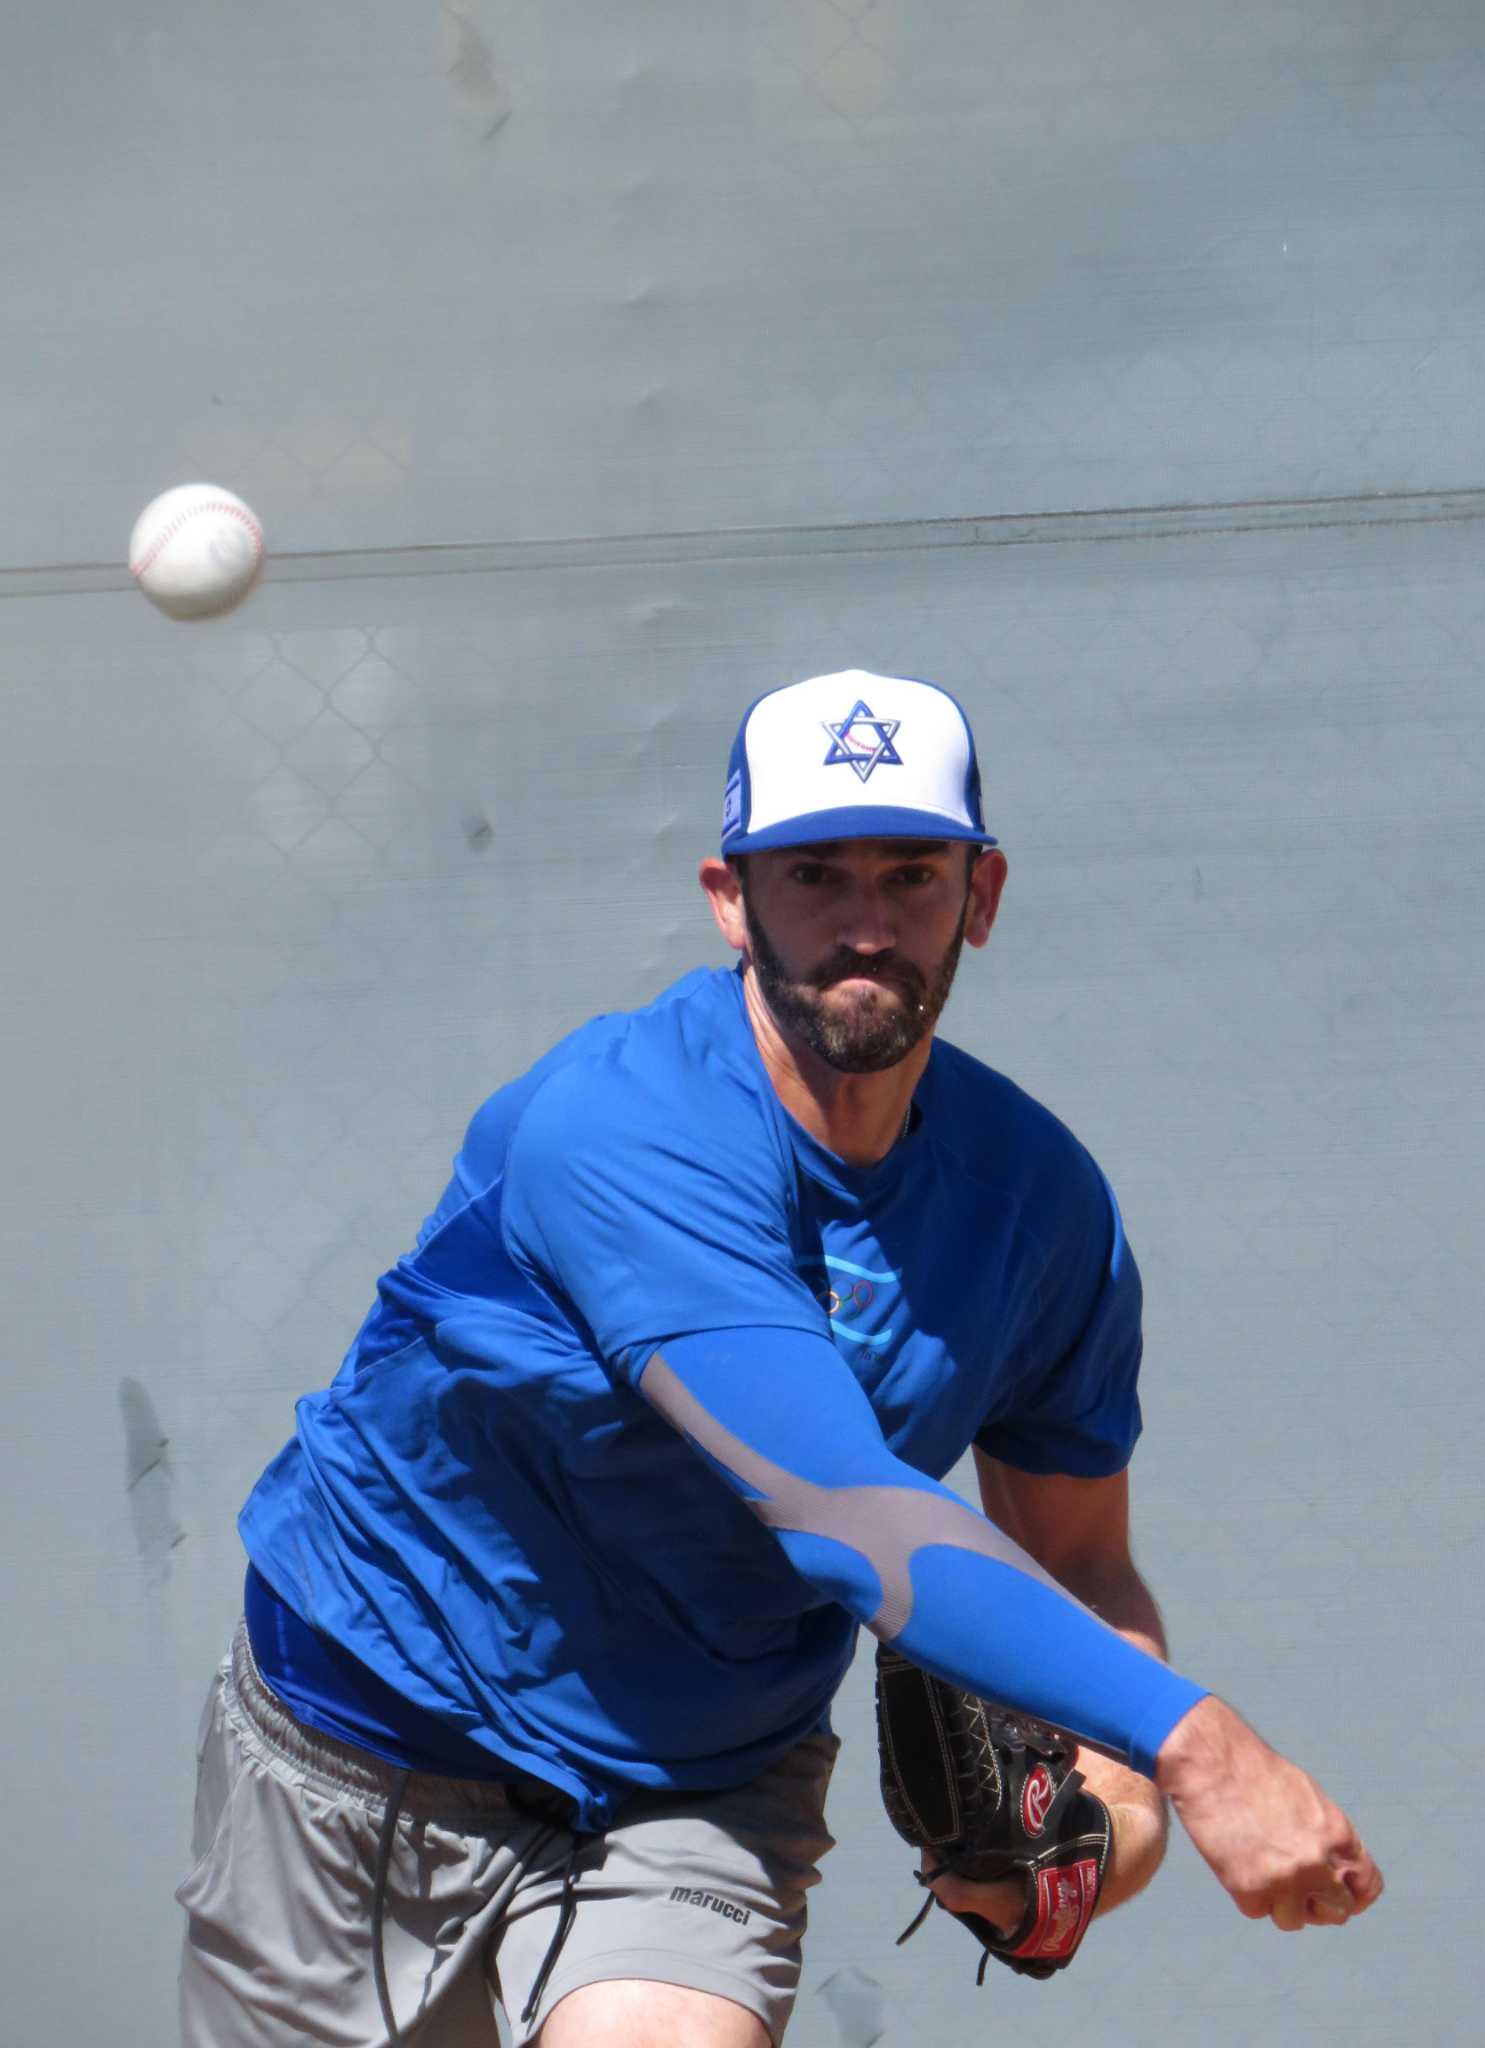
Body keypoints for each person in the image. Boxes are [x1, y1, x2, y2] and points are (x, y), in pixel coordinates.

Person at [177, 670, 1382, 2048]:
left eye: (911, 874)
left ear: (980, 897)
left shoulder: (1038, 1206)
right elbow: (834, 1511)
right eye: (814, 875)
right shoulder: (621, 1128)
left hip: (691, 1780)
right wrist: (1200, 1745)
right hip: (371, 1744)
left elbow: (1081, 1557)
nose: (865, 924)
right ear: (730, 898)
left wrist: (1117, 1805)